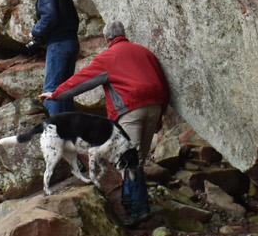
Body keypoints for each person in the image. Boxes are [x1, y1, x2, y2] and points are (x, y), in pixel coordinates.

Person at [50, 20, 170, 152]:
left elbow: (82, 79)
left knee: (128, 156)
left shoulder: (107, 58)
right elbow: (162, 83)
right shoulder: (145, 52)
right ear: (124, 34)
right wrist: (161, 111)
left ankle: (133, 172)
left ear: (106, 39)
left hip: (130, 108)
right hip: (154, 106)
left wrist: (56, 94)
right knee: (140, 156)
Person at [26, 0, 81, 115]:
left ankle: (55, 130)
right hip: (71, 41)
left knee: (52, 89)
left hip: (58, 45)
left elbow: (49, 16)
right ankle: (69, 130)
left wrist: (34, 32)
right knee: (66, 90)